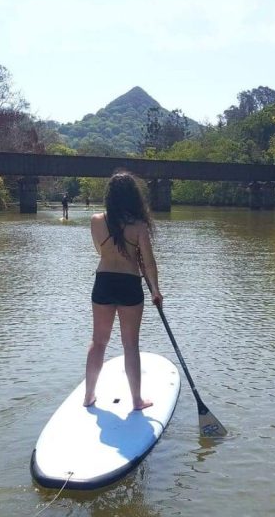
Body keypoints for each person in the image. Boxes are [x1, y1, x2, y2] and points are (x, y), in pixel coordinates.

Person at [84, 171, 162, 410]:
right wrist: (156, 291)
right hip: (129, 283)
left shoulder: (97, 220)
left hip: (104, 281)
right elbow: (148, 262)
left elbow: (100, 251)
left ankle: (88, 396)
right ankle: (136, 400)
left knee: (98, 342)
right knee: (130, 345)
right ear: (133, 197)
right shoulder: (138, 226)